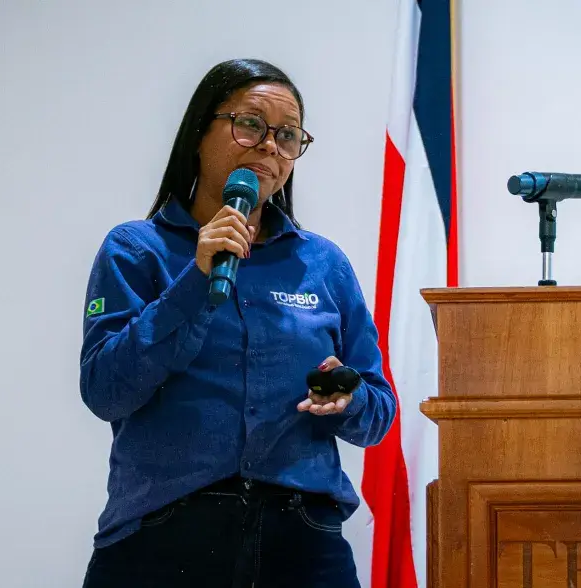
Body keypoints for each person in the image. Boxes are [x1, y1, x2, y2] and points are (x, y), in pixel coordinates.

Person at [78, 58, 396, 588]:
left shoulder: (323, 264)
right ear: (199, 131)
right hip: (162, 540)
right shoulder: (136, 250)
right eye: (251, 124)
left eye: (289, 135)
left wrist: (349, 394)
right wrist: (193, 283)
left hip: (302, 542)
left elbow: (379, 413)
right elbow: (104, 391)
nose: (270, 146)